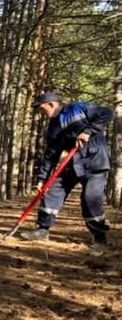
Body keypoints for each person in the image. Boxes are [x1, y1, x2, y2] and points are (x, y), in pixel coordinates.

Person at [20, 91, 114, 248]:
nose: (41, 113)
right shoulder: (52, 129)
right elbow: (51, 155)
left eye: (42, 109)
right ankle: (42, 231)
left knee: (90, 199)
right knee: (52, 190)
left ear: (51, 104)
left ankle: (99, 238)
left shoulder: (78, 108)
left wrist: (87, 132)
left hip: (95, 162)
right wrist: (42, 179)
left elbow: (107, 113)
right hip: (72, 164)